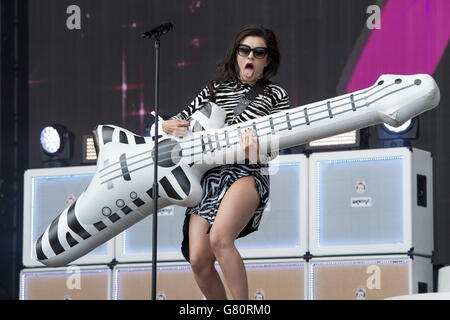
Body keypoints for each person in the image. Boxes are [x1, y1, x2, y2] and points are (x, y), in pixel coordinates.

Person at [162, 24, 290, 300]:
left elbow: (275, 149)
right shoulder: (215, 88)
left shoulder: (276, 96)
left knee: (220, 239)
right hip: (208, 175)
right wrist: (167, 125)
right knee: (198, 259)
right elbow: (182, 119)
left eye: (259, 52)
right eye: (245, 50)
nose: (250, 57)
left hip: (247, 171)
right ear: (236, 55)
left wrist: (257, 151)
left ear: (267, 59)